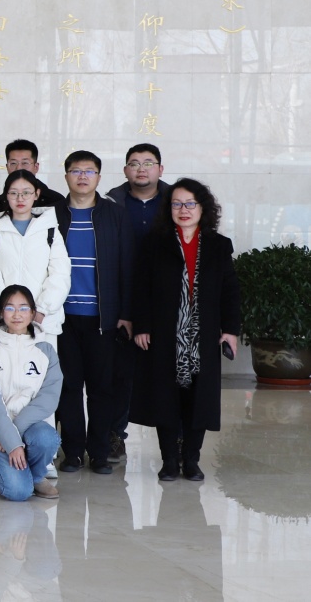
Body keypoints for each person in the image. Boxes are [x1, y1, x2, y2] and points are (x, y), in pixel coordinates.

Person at [131, 179, 241, 483]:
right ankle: (169, 461)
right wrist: (142, 325)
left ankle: (191, 460)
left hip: (203, 335)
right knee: (165, 398)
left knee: (199, 399)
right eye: (176, 204)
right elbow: (141, 288)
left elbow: (230, 291)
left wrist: (230, 330)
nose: (183, 210)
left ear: (203, 207)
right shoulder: (155, 242)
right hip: (164, 334)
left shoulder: (218, 245)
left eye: (190, 203)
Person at [53, 151, 133, 475]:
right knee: (69, 387)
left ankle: (99, 452)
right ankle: (72, 452)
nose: (83, 177)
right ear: (66, 176)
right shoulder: (53, 215)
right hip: (62, 319)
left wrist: (125, 313)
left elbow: (128, 265)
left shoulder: (115, 215)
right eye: (76, 171)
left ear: (99, 177)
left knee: (102, 388)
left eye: (89, 171)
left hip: (103, 318)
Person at [105, 143, 169, 464]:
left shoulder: (176, 201)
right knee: (120, 375)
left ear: (160, 169)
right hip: (122, 303)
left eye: (148, 163)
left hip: (166, 303)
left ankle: (176, 441)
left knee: (171, 374)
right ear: (125, 170)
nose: (141, 169)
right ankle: (114, 436)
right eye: (134, 163)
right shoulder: (110, 204)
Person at [0, 285, 63, 501]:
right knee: (18, 492)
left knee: (46, 438)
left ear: (33, 313)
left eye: (23, 308)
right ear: (1, 313)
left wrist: (14, 434)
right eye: (10, 308)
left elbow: (48, 399)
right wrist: (9, 440)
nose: (17, 314)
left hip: (32, 427)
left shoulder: (46, 350)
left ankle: (36, 476)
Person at [0, 170, 72, 348]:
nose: (20, 198)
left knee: (40, 364)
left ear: (36, 194)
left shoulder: (50, 230)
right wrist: (8, 310)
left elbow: (60, 273)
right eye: (14, 193)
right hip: (2, 320)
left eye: (26, 192)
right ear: (6, 195)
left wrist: (40, 310)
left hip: (42, 322)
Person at [0, 140, 67, 300]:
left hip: (43, 303)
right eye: (13, 163)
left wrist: (45, 305)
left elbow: (60, 266)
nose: (19, 168)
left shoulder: (56, 202)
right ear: (6, 167)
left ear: (36, 166)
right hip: (2, 303)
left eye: (25, 163)